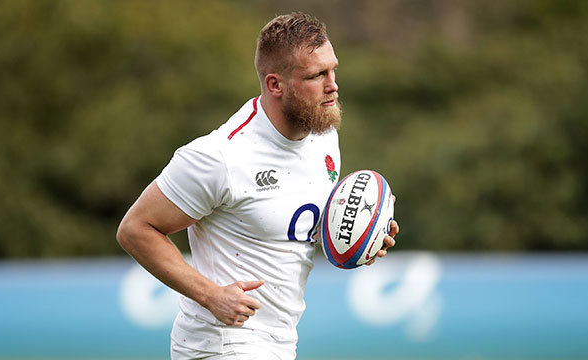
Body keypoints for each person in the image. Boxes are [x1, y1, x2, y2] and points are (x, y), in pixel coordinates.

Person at [116, 12, 399, 360]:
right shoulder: (221, 156)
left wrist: (359, 235)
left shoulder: (324, 136)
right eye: (316, 75)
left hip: (279, 341)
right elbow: (135, 229)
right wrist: (210, 295)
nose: (333, 85)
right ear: (275, 85)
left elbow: (289, 227)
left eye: (333, 69)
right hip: (221, 344)